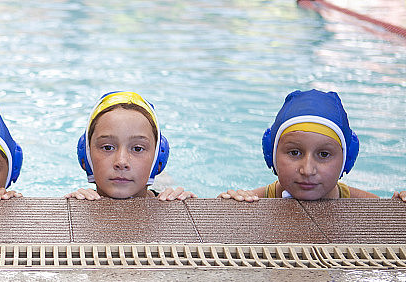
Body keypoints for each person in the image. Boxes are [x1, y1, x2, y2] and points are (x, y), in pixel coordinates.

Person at [219, 89, 406, 201]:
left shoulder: (365, 204)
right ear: (272, 155)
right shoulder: (254, 201)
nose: (307, 170)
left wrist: (397, 207)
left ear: (346, 160)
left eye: (324, 154)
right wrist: (230, 205)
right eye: (294, 152)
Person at [65, 91, 196, 201]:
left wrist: (184, 203)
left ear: (158, 161)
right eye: (107, 147)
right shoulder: (79, 199)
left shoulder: (168, 198)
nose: (121, 162)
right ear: (86, 157)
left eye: (137, 148)